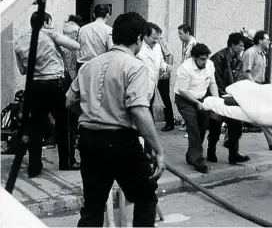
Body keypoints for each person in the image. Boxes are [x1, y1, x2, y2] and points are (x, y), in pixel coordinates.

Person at [66, 12, 165, 227]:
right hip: (120, 141)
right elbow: (139, 110)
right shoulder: (135, 65)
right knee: (145, 198)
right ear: (139, 38)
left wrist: (91, 112)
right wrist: (158, 149)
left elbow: (69, 101)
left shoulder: (89, 65)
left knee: (92, 206)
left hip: (89, 139)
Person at [14, 11, 80, 178]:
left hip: (33, 87)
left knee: (34, 126)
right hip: (54, 84)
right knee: (64, 123)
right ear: (46, 22)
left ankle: (34, 167)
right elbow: (75, 45)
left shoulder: (19, 41)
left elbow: (22, 71)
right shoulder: (49, 33)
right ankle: (66, 162)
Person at [174, 43, 219, 174]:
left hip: (200, 98)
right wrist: (196, 103)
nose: (205, 61)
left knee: (202, 125)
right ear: (194, 58)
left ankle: (191, 154)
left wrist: (216, 100)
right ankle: (197, 159)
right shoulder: (185, 68)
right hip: (185, 99)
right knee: (192, 126)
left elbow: (212, 83)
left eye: (206, 58)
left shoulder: (209, 65)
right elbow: (183, 90)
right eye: (202, 59)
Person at [206, 32, 250, 165]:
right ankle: (211, 150)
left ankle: (234, 153)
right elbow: (216, 81)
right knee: (215, 125)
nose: (243, 48)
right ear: (233, 45)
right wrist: (223, 97)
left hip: (232, 96)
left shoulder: (239, 59)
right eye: (241, 45)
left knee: (236, 124)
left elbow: (240, 79)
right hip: (218, 95)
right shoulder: (218, 58)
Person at [242, 30, 272, 151]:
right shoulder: (250, 53)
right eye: (267, 39)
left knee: (262, 114)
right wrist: (254, 87)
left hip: (258, 87)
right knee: (246, 115)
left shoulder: (262, 54)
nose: (269, 41)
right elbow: (246, 72)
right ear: (260, 40)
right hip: (250, 88)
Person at [136, 22, 172, 120]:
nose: (156, 41)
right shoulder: (138, 48)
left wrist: (166, 67)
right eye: (154, 38)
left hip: (152, 87)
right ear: (145, 36)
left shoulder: (157, 47)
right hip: (140, 88)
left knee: (148, 113)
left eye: (157, 38)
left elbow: (161, 62)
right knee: (144, 116)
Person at [62, 14, 83, 170]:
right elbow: (73, 69)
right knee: (71, 122)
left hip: (61, 82)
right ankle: (70, 158)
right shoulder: (74, 47)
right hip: (71, 82)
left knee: (65, 122)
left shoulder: (59, 43)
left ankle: (68, 156)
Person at [76, 4, 113, 71]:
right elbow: (111, 50)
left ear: (93, 14)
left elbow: (78, 48)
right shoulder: (109, 30)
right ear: (107, 15)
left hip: (83, 65)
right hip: (100, 66)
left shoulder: (82, 29)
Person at [158, 35, 175, 132]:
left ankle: (170, 123)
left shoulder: (158, 39)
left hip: (162, 75)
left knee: (165, 99)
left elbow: (169, 55)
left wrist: (168, 72)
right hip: (153, 74)